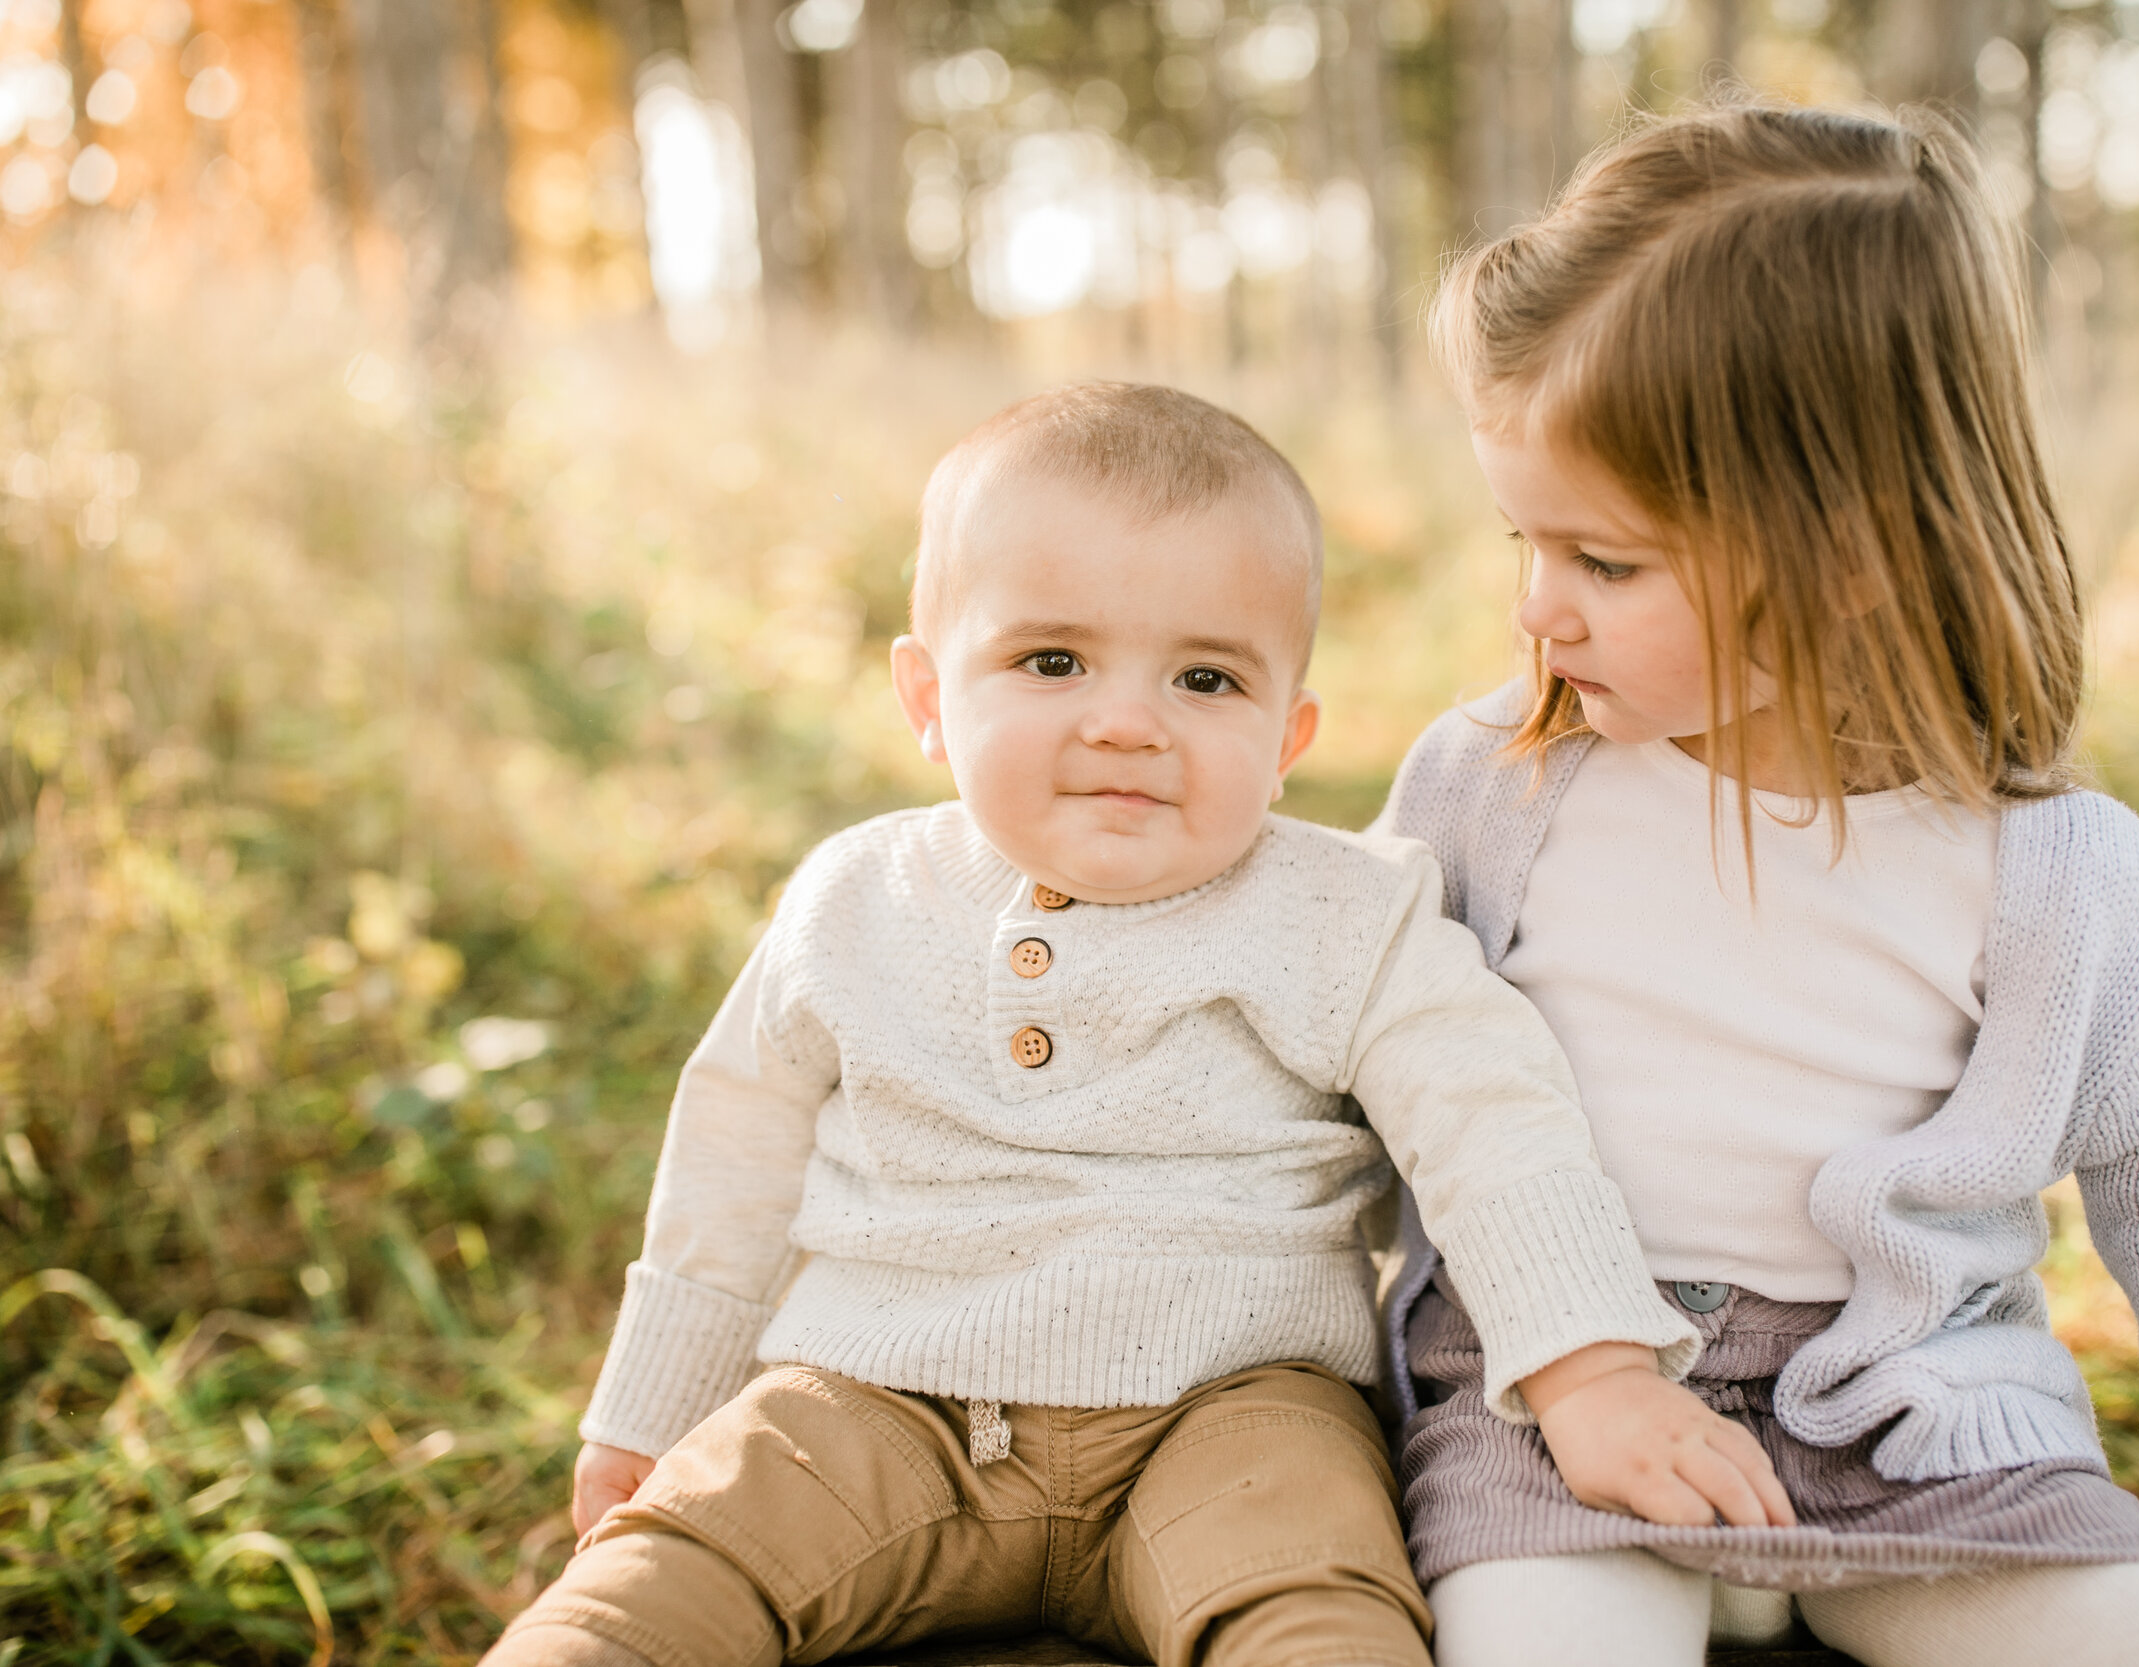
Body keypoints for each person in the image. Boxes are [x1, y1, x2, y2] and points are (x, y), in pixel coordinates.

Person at [483, 382, 1724, 1667]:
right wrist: (648, 1412)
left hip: (1233, 1409)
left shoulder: (1345, 910)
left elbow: (1491, 1115)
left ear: (1288, 732)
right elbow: (729, 1158)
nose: (1127, 720)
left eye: (1205, 676)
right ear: (926, 695)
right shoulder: (852, 900)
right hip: (875, 1396)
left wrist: (1589, 1369)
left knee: (1322, 1610)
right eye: (1052, 660)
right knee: (650, 1591)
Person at [1373, 106, 2139, 1667]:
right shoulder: (1494, 784)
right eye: (1522, 539)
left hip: (1930, 1423)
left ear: (1855, 550)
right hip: (1555, 1389)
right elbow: (1346, 1064)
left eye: (1604, 561)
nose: (1535, 607)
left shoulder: (2056, 872)